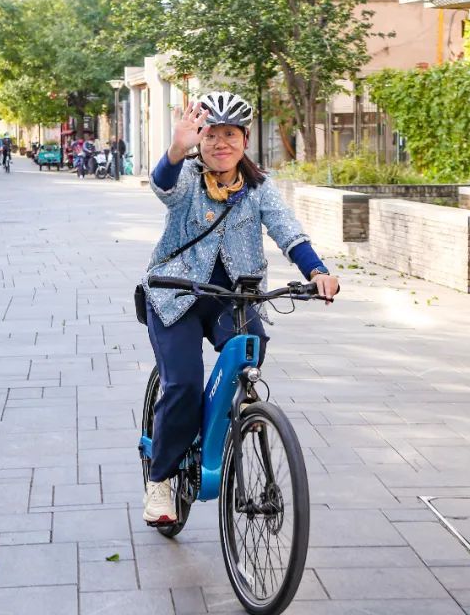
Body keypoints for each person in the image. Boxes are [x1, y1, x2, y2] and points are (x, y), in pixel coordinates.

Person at [139, 91, 339, 524]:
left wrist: (317, 271)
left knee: (249, 354)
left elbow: (288, 231)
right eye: (210, 135)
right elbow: (163, 186)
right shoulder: (189, 178)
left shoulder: (259, 187)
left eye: (229, 134)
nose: (219, 144)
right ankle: (161, 479)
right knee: (185, 385)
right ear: (200, 140)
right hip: (175, 295)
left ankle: (217, 426)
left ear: (244, 139)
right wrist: (176, 148)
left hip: (235, 297)